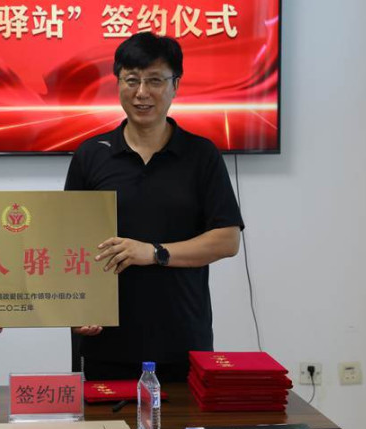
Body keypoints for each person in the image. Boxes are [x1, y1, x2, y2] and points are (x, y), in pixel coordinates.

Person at [65, 32, 244, 382]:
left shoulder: (201, 155)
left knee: (182, 420)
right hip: (107, 341)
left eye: (155, 81)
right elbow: (68, 242)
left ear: (175, 85)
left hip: (182, 339)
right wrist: (76, 308)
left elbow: (227, 240)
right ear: (118, 84)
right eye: (132, 80)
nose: (142, 92)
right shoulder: (91, 155)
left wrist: (153, 252)